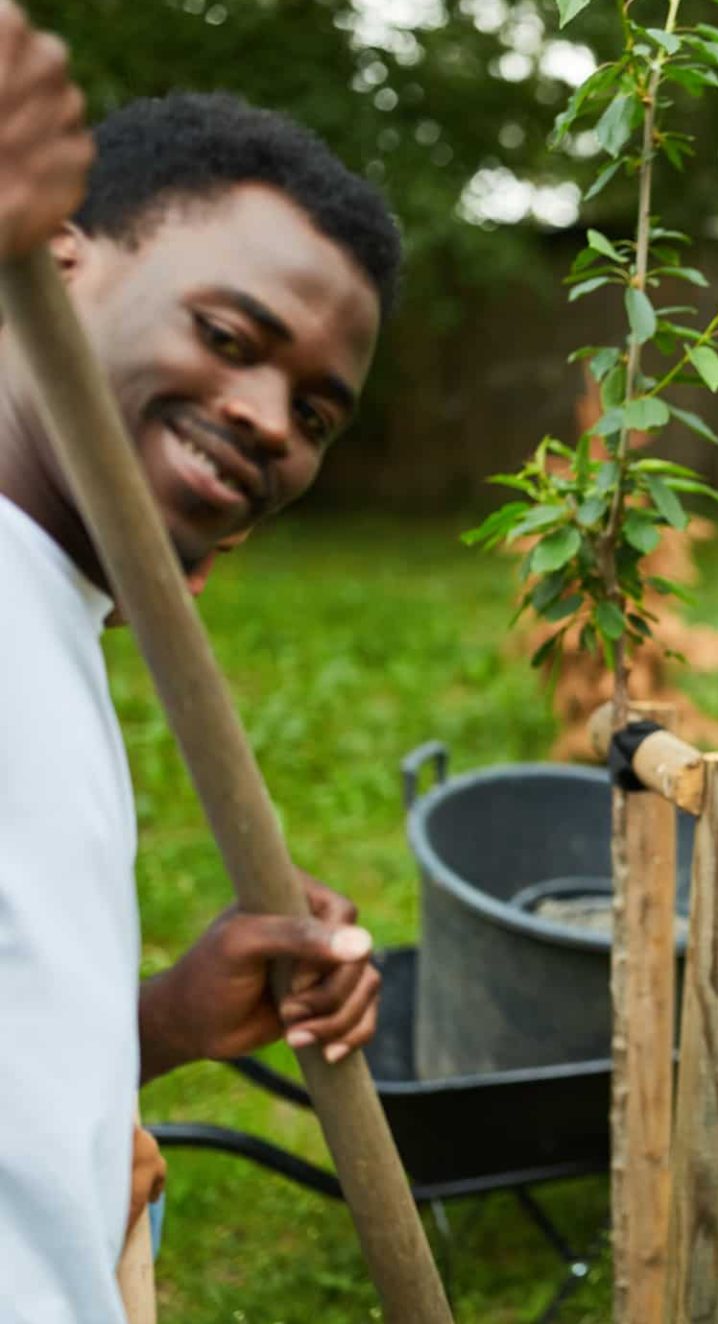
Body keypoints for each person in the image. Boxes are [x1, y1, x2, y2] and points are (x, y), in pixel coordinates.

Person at [0, 9, 402, 1316]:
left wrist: (164, 1019)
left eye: (317, 412)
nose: (270, 424)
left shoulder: (52, 617)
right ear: (54, 261)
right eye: (230, 338)